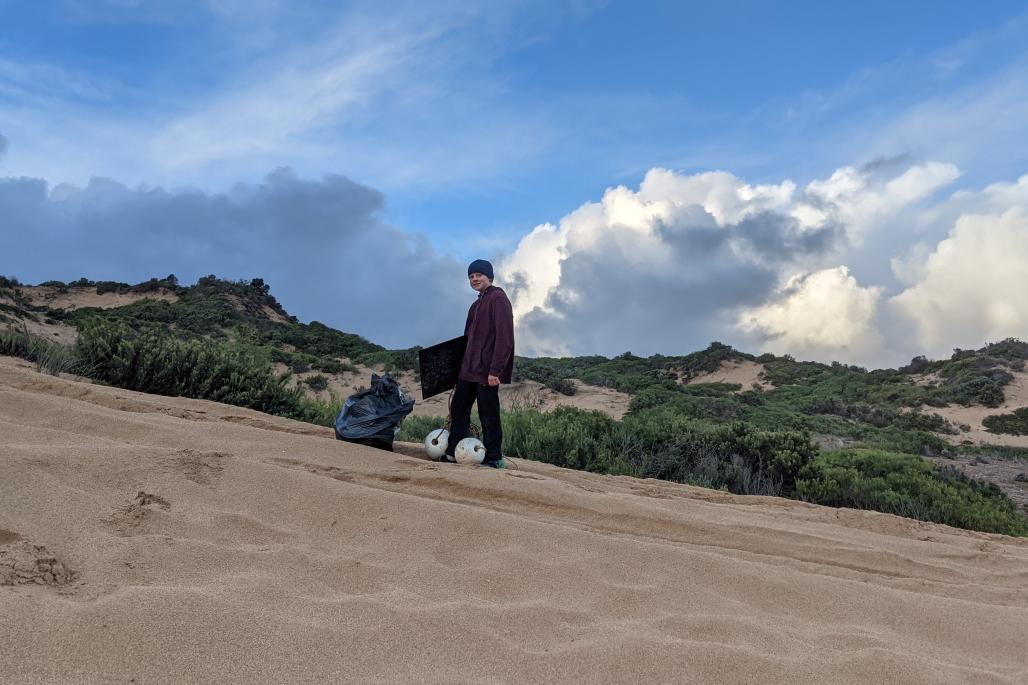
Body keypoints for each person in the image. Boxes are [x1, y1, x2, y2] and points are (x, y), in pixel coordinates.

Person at [442, 259, 514, 468]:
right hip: (468, 370)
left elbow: (505, 338)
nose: (474, 279)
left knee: (488, 413)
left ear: (489, 276)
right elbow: (467, 339)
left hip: (486, 372)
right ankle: (454, 451)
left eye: (478, 275)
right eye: (471, 276)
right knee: (459, 409)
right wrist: (457, 371)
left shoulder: (498, 298)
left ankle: (494, 457)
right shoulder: (475, 305)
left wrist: (495, 370)